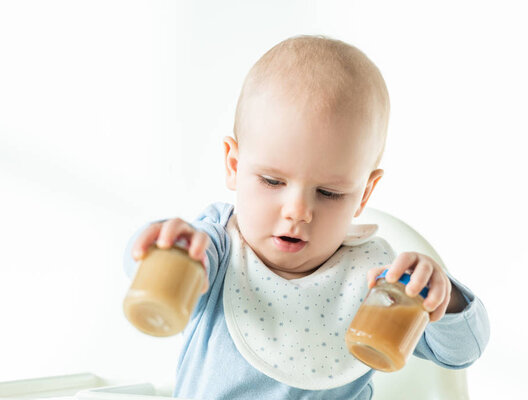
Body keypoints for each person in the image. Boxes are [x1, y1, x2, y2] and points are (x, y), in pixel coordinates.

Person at [123, 35, 489, 399]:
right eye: (271, 180)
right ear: (234, 165)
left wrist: (443, 299)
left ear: (363, 194)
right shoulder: (216, 248)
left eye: (329, 193)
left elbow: (460, 352)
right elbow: (146, 273)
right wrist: (167, 248)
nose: (298, 211)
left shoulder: (375, 280)